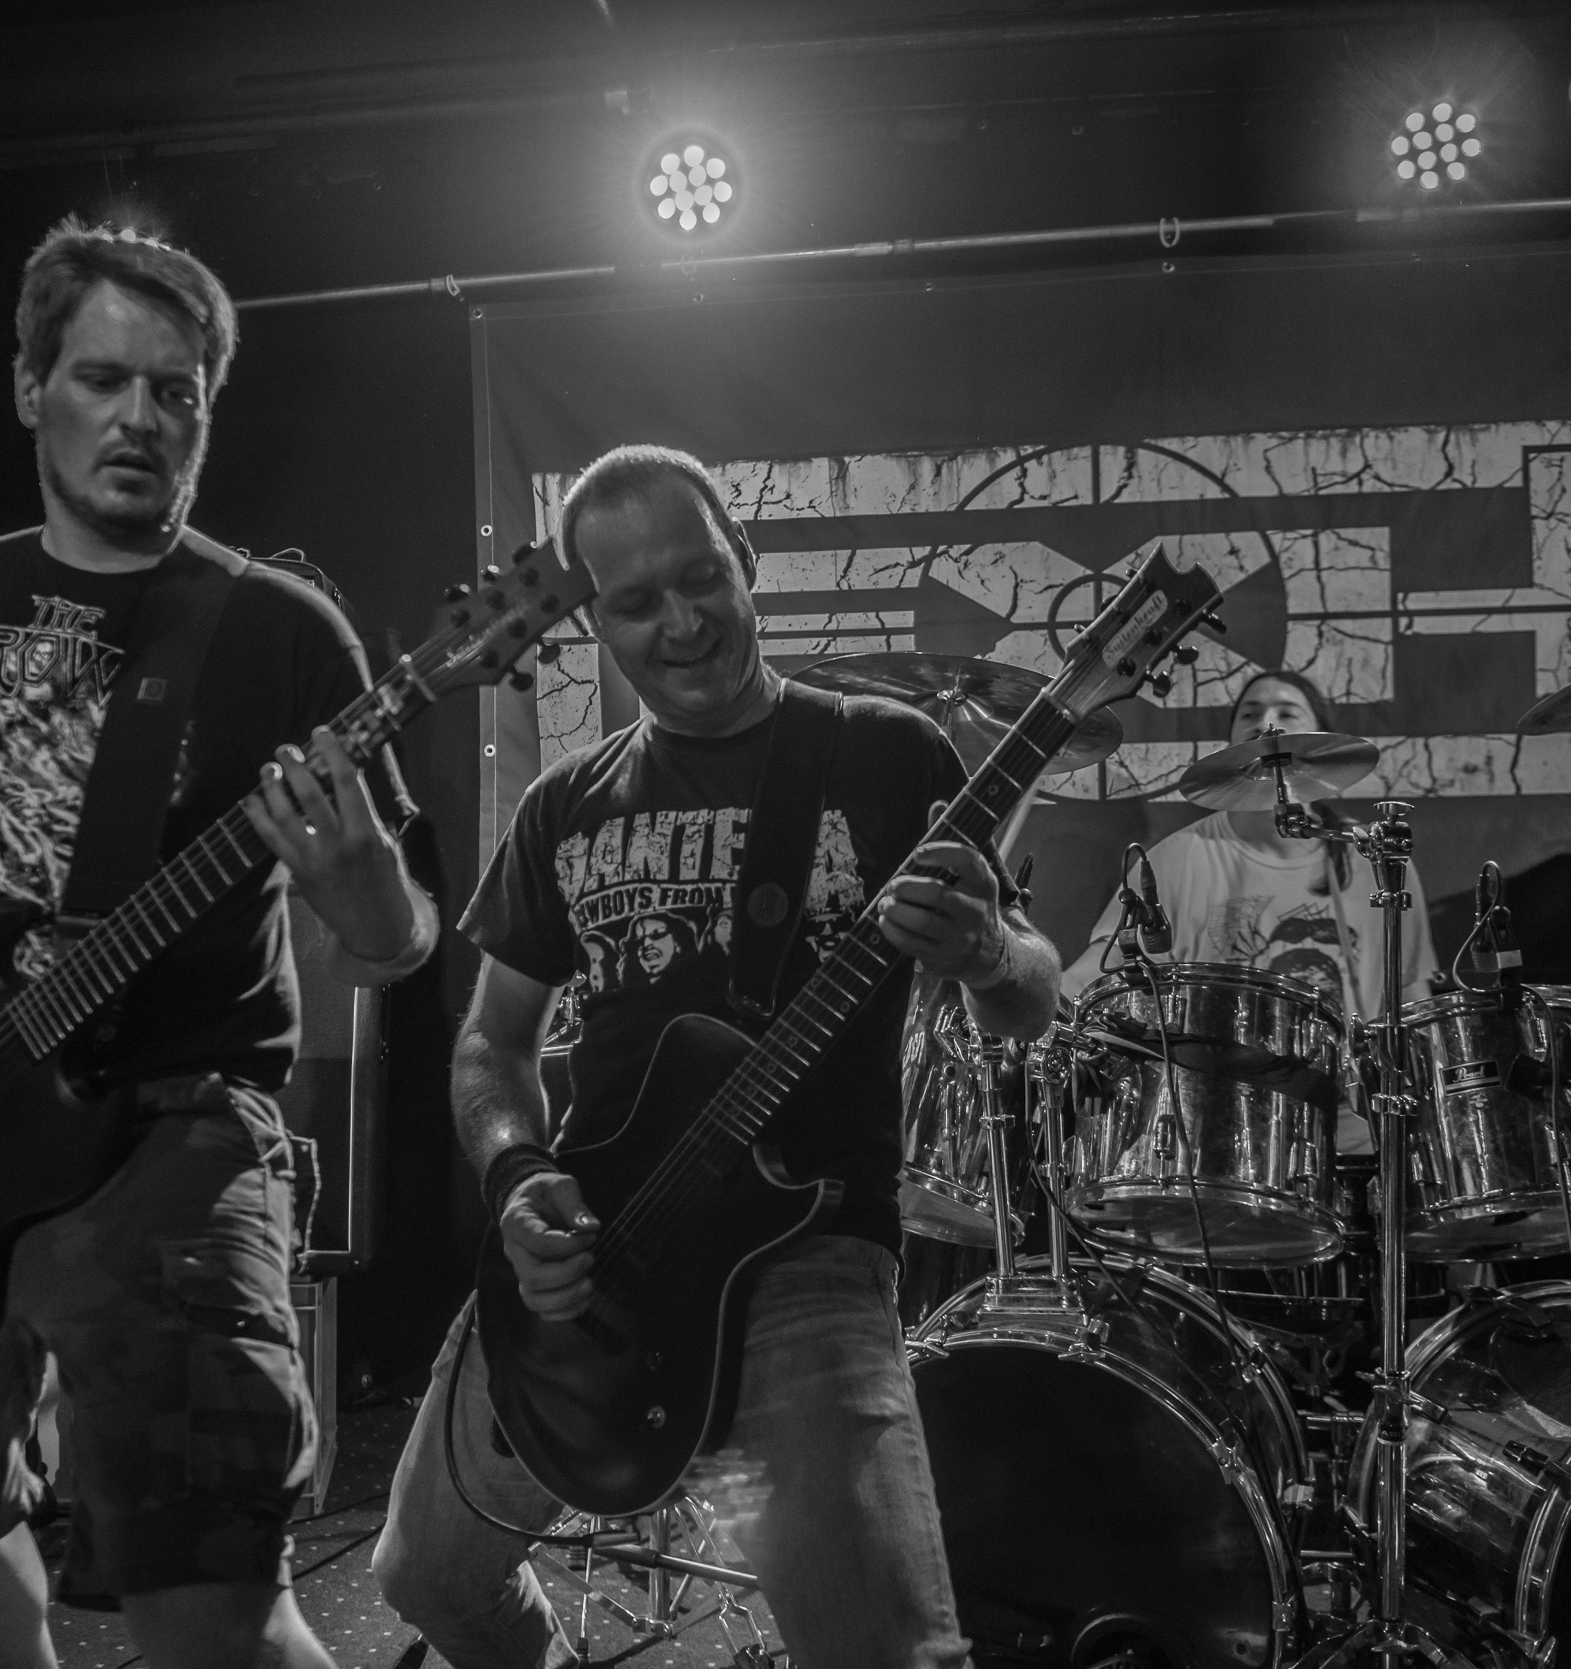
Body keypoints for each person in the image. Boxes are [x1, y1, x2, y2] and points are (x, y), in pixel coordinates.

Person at [0, 218, 436, 1669]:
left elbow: (395, 944)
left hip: (174, 1129)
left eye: (176, 392)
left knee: (209, 1585)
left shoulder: (280, 630)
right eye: (103, 379)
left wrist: (358, 874)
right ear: (29, 386)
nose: (140, 418)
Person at [372, 445, 1062, 1668]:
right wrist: (518, 1175)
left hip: (808, 1251)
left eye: (700, 578)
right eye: (637, 600)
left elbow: (1030, 1001)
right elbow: (491, 1041)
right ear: (597, 620)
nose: (681, 622)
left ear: (745, 562)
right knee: (423, 1571)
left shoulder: (885, 751)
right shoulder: (562, 804)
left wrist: (990, 955)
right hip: (601, 1247)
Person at [1062, 669, 1433, 1021]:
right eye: (1250, 714)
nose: (1265, 724)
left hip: (1347, 1066)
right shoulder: (1174, 860)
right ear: (1230, 743)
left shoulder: (1376, 857)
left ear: (1322, 739)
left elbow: (1411, 993)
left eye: (1287, 712)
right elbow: (1093, 982)